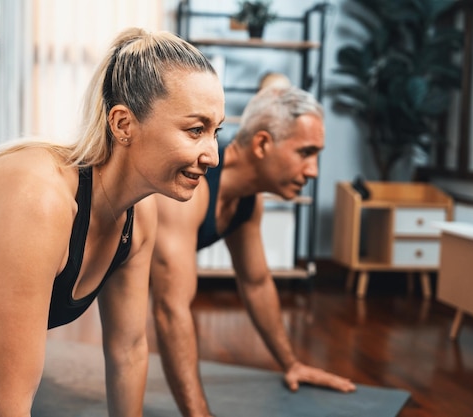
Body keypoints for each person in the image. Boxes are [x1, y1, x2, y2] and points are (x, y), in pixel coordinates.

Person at [0, 27, 225, 417]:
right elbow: (7, 407)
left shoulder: (138, 218)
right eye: (195, 130)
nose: (213, 155)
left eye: (215, 132)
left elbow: (128, 349)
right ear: (123, 124)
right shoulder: (40, 200)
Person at [150, 85, 356, 417]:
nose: (314, 171)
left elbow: (256, 283)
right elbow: (171, 310)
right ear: (261, 144)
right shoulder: (190, 187)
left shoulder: (247, 202)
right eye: (306, 153)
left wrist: (291, 363)